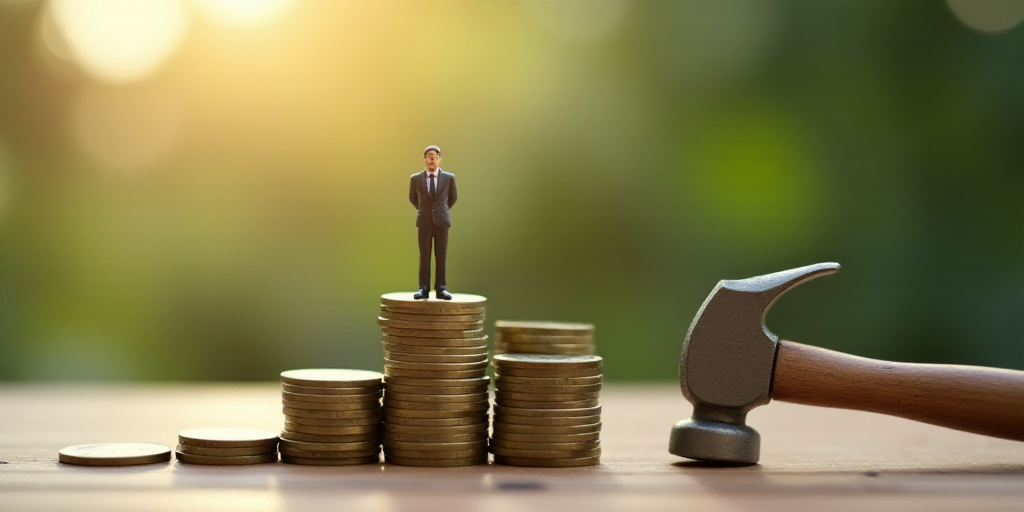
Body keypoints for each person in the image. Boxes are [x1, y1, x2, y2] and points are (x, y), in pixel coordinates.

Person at [409, 145, 457, 300]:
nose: (432, 160)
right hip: (424, 220)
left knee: (441, 255)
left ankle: (441, 288)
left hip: (442, 221)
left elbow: (453, 197)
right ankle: (423, 288)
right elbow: (412, 198)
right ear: (424, 159)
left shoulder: (449, 178)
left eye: (435, 157)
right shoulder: (416, 179)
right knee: (424, 255)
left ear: (439, 159)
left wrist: (441, 209)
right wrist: (424, 209)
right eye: (429, 156)